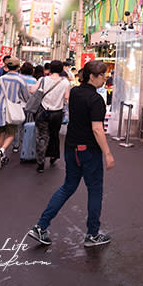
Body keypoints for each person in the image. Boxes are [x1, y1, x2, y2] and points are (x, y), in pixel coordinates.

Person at [28, 61, 115, 248]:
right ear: (92, 76)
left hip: (71, 148)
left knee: (68, 186)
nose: (105, 79)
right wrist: (108, 153)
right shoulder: (96, 100)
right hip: (89, 150)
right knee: (95, 190)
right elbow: (97, 129)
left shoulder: (75, 92)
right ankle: (92, 234)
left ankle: (41, 226)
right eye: (102, 75)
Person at [0, 56, 30, 170]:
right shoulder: (21, 80)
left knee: (1, 133)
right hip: (13, 111)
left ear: (7, 67)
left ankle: (1, 155)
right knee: (11, 134)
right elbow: (26, 97)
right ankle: (1, 151)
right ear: (18, 67)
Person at [34, 60, 70, 173]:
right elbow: (67, 98)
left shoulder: (43, 80)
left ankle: (40, 162)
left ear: (50, 69)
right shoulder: (65, 83)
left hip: (43, 111)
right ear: (61, 70)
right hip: (57, 113)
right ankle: (53, 156)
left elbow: (32, 91)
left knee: (42, 136)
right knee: (54, 135)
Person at [11, 62, 38, 154]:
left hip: (18, 105)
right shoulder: (34, 80)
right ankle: (25, 144)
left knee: (17, 126)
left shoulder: (17, 78)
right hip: (29, 106)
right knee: (27, 125)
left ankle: (16, 145)